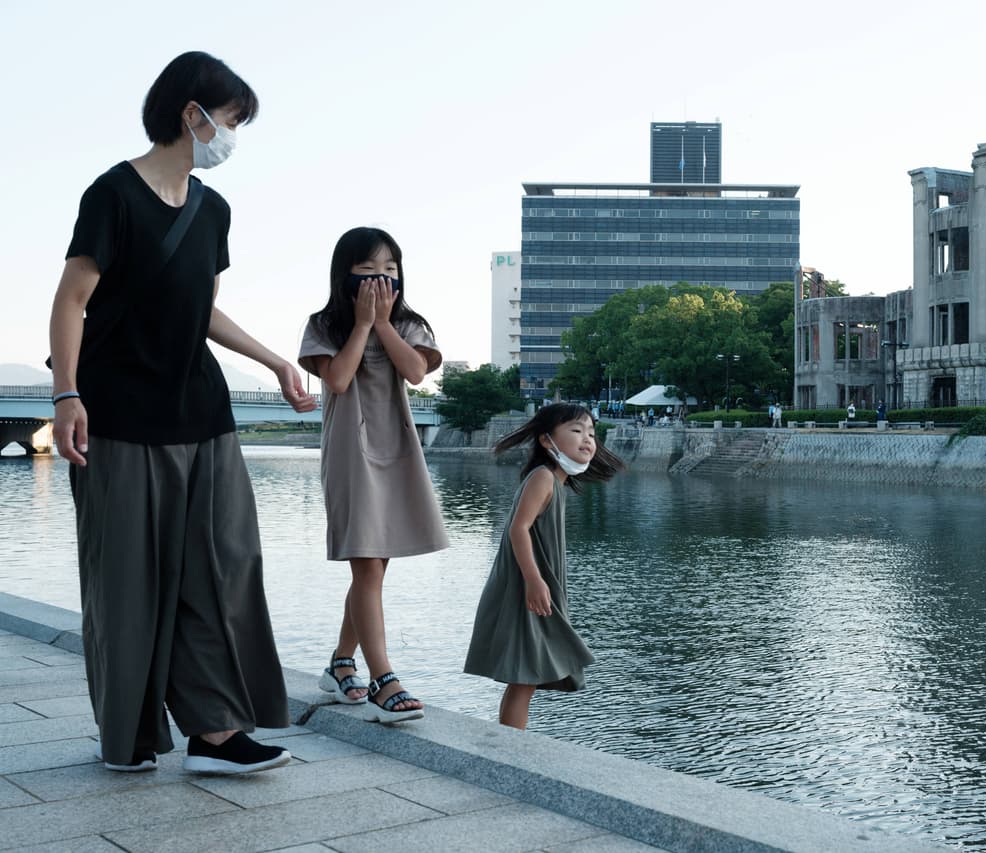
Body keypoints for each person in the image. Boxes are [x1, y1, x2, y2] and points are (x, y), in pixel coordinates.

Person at [48, 51, 314, 774]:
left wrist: (275, 360)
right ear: (191, 114)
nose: (231, 137)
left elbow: (203, 311)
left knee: (224, 565)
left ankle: (217, 732)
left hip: (202, 408)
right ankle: (131, 735)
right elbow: (72, 298)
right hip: (121, 410)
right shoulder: (111, 193)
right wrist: (66, 393)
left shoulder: (213, 209)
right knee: (128, 579)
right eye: (230, 121)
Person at [298, 227, 449, 724]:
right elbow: (337, 380)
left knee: (376, 566)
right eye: (369, 269)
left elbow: (415, 373)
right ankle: (383, 678)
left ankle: (342, 662)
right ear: (346, 274)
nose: (382, 278)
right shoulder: (323, 324)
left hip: (398, 447)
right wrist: (362, 325)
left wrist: (383, 324)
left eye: (390, 269)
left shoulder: (410, 324)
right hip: (349, 450)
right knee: (366, 565)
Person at [464, 404, 623, 729]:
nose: (587, 440)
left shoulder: (555, 480)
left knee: (526, 675)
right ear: (547, 441)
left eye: (591, 433)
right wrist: (535, 581)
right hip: (526, 585)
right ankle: (511, 748)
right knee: (525, 674)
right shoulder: (543, 477)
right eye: (577, 431)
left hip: (534, 583)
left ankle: (510, 743)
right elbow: (517, 529)